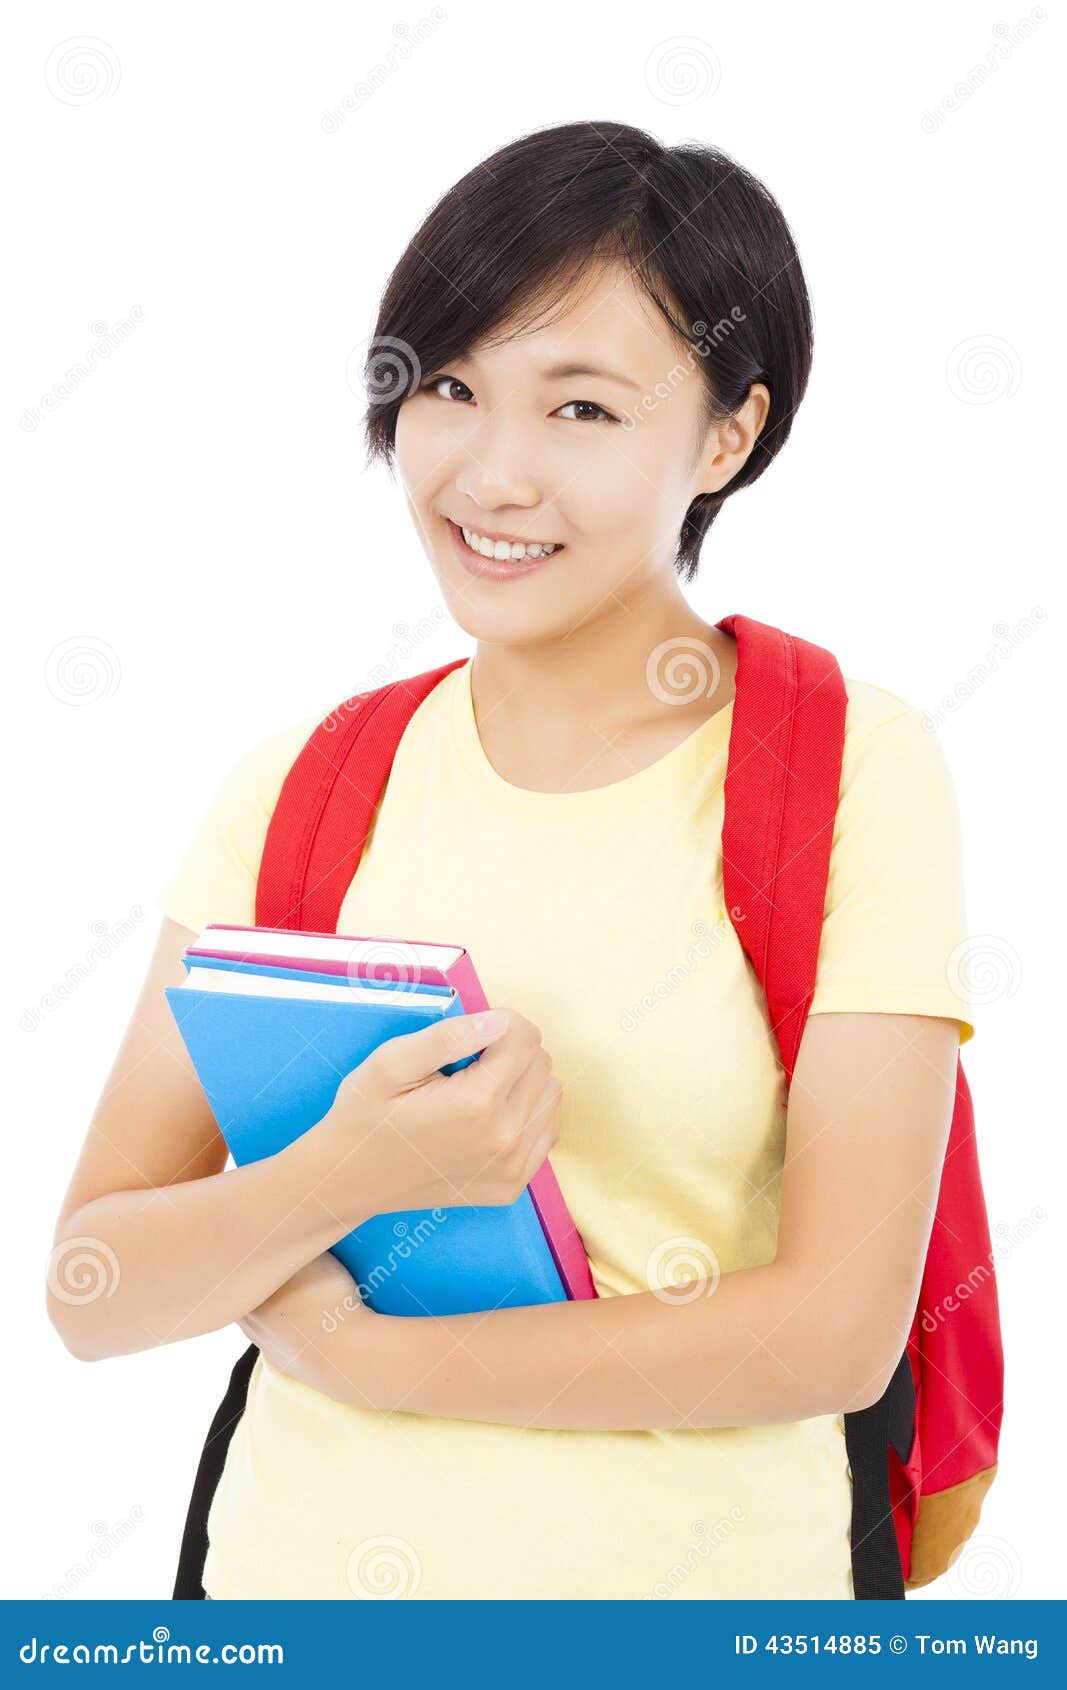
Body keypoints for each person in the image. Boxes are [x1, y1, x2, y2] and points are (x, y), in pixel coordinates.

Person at [48, 120, 974, 1600]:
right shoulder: (301, 787)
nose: (491, 474)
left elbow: (835, 1330)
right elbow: (93, 1286)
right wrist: (350, 1173)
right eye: (450, 387)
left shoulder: (849, 769)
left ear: (727, 436)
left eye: (582, 409)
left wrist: (377, 1357)